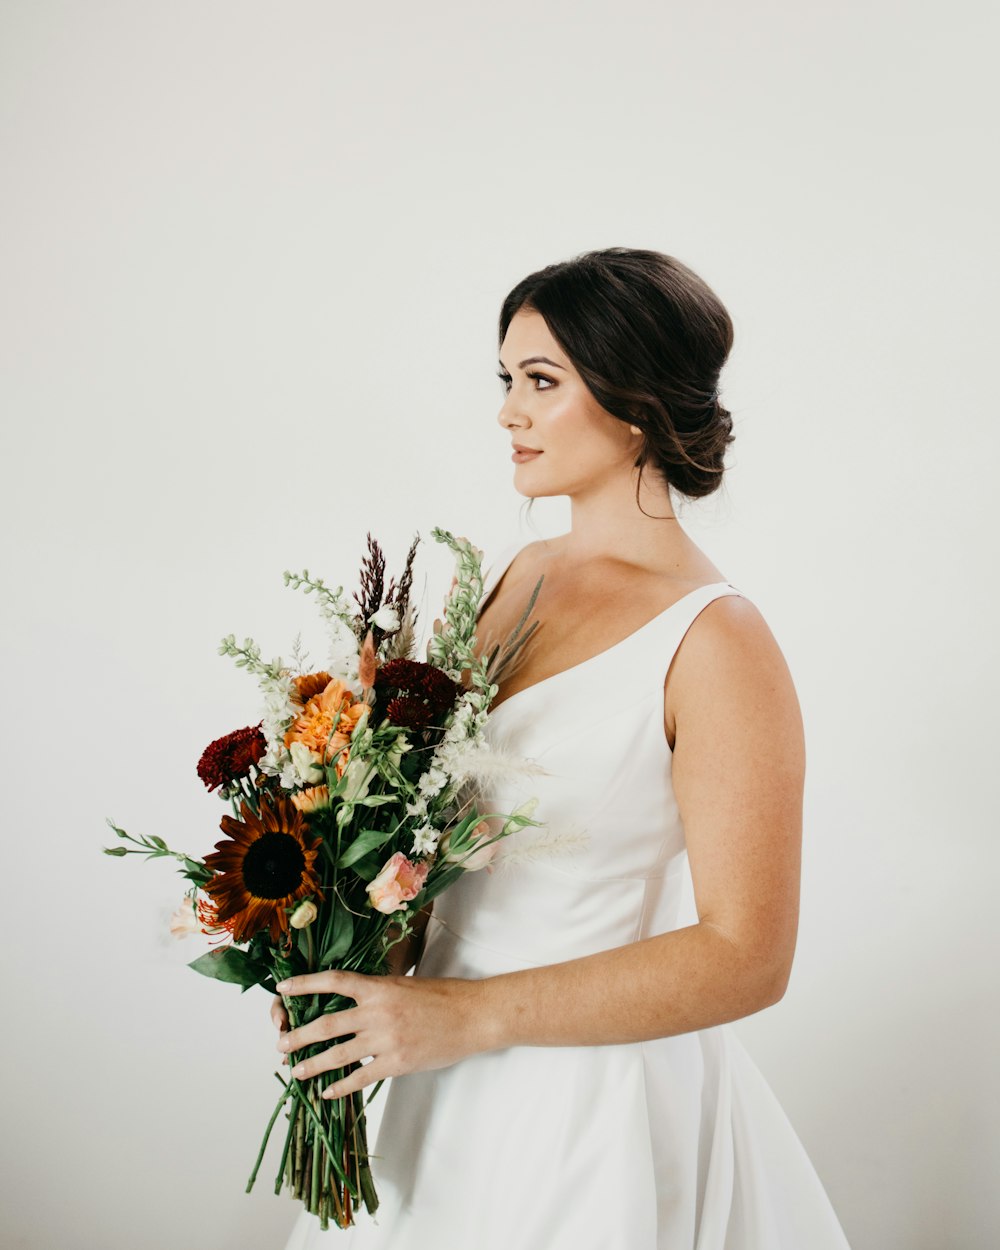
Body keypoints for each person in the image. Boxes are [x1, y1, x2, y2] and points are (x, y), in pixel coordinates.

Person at [276, 247, 853, 1248]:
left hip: (587, 1115)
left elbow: (748, 954)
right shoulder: (515, 574)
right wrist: (343, 956)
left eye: (541, 381)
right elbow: (421, 838)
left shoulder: (716, 639)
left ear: (634, 403)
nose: (508, 410)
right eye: (506, 380)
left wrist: (468, 1016)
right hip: (420, 1080)